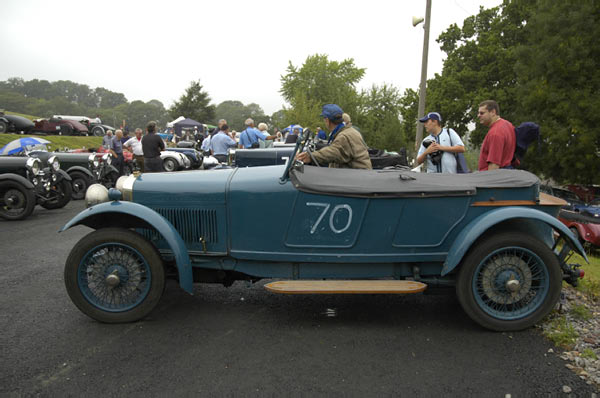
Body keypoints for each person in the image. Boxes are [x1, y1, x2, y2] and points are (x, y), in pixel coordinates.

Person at [295, 104, 372, 169]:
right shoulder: (350, 131)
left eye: (324, 119)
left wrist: (311, 157)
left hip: (356, 179)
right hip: (357, 175)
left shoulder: (344, 136)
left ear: (327, 120)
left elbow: (334, 152)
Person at [477, 100, 516, 171]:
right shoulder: (508, 125)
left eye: (482, 113)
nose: (478, 115)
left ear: (493, 112)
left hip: (497, 177)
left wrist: (490, 181)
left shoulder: (495, 133)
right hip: (507, 173)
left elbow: (494, 165)